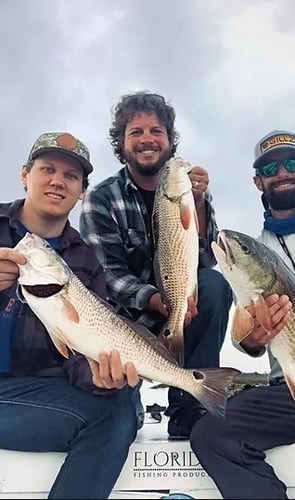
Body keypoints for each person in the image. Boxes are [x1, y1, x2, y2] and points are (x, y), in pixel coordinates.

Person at [190, 129, 295, 499]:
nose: (283, 172)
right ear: (258, 181)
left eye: (294, 163)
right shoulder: (254, 250)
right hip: (292, 392)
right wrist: (255, 338)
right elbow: (245, 340)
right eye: (270, 167)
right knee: (211, 435)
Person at [79, 91, 232, 439]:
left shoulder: (192, 194)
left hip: (183, 305)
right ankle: (128, 400)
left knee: (214, 285)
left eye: (156, 131)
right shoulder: (100, 199)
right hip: (128, 320)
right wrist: (157, 299)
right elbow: (108, 276)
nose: (147, 139)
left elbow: (207, 258)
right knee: (118, 417)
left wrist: (197, 203)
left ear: (170, 139)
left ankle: (188, 406)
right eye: (136, 132)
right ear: (121, 142)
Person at [0, 131, 143, 499]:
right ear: (24, 174)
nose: (57, 181)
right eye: (47, 168)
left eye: (71, 176)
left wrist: (100, 376)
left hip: (30, 393)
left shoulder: (84, 260)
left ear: (82, 190)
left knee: (119, 406)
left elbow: (79, 349)